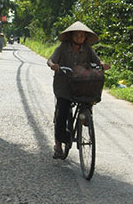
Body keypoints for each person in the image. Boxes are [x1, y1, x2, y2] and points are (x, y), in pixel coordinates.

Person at [47, 21, 110, 159]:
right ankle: (58, 145)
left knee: (89, 100)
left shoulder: (87, 49)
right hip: (64, 85)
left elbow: (97, 61)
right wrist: (54, 66)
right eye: (77, 35)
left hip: (81, 84)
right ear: (71, 36)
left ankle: (84, 118)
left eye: (82, 36)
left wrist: (102, 64)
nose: (79, 38)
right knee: (62, 113)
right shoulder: (63, 47)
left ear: (85, 38)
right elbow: (51, 60)